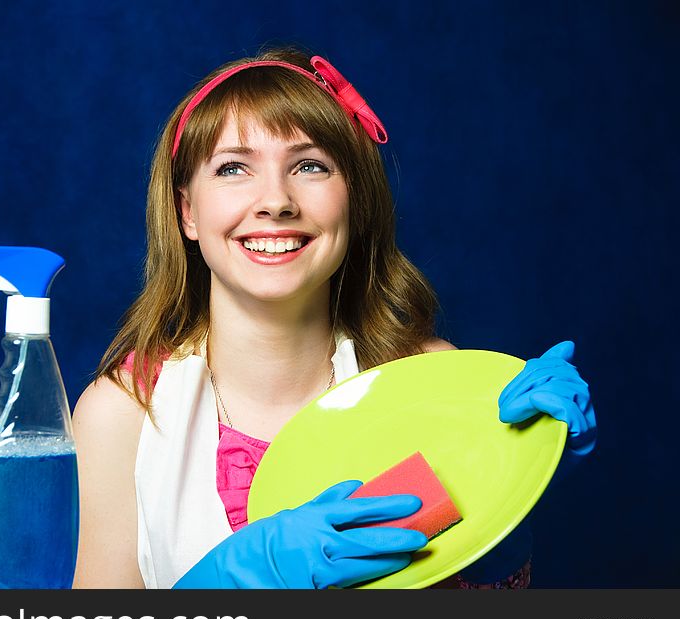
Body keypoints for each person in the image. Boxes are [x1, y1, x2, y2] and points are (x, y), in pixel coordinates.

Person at [71, 46, 596, 589]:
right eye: (233, 168)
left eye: (309, 166)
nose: (276, 201)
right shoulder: (123, 415)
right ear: (187, 212)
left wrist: (516, 479)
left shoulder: (433, 380)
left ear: (353, 201)